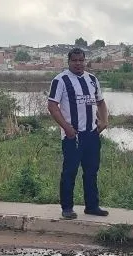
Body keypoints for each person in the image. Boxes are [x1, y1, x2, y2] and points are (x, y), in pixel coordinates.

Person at [48, 47, 109, 219]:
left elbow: (101, 102)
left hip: (91, 134)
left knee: (91, 171)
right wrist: (67, 128)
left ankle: (92, 206)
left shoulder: (92, 79)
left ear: (85, 61)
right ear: (69, 62)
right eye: (74, 60)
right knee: (70, 172)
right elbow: (52, 106)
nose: (78, 63)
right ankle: (67, 208)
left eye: (81, 60)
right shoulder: (61, 80)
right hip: (72, 136)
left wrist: (104, 121)